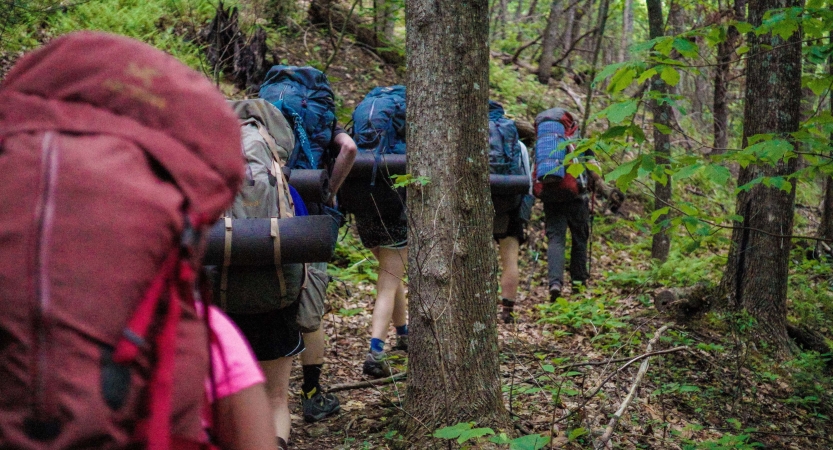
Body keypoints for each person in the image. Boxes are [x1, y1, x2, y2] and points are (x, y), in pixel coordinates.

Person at [533, 108, 601, 301]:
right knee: (579, 238)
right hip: (576, 197)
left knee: (556, 239)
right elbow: (595, 173)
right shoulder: (578, 141)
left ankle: (555, 283)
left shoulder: (543, 142)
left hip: (551, 196)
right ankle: (578, 284)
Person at [203, 304, 278, 450]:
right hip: (274, 309)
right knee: (277, 396)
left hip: (231, 305)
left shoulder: (207, 325)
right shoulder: (209, 327)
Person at [495, 141, 534, 323]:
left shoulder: (469, 136)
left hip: (474, 206)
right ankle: (507, 311)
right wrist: (524, 214)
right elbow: (527, 182)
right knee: (509, 259)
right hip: (509, 207)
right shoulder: (517, 144)